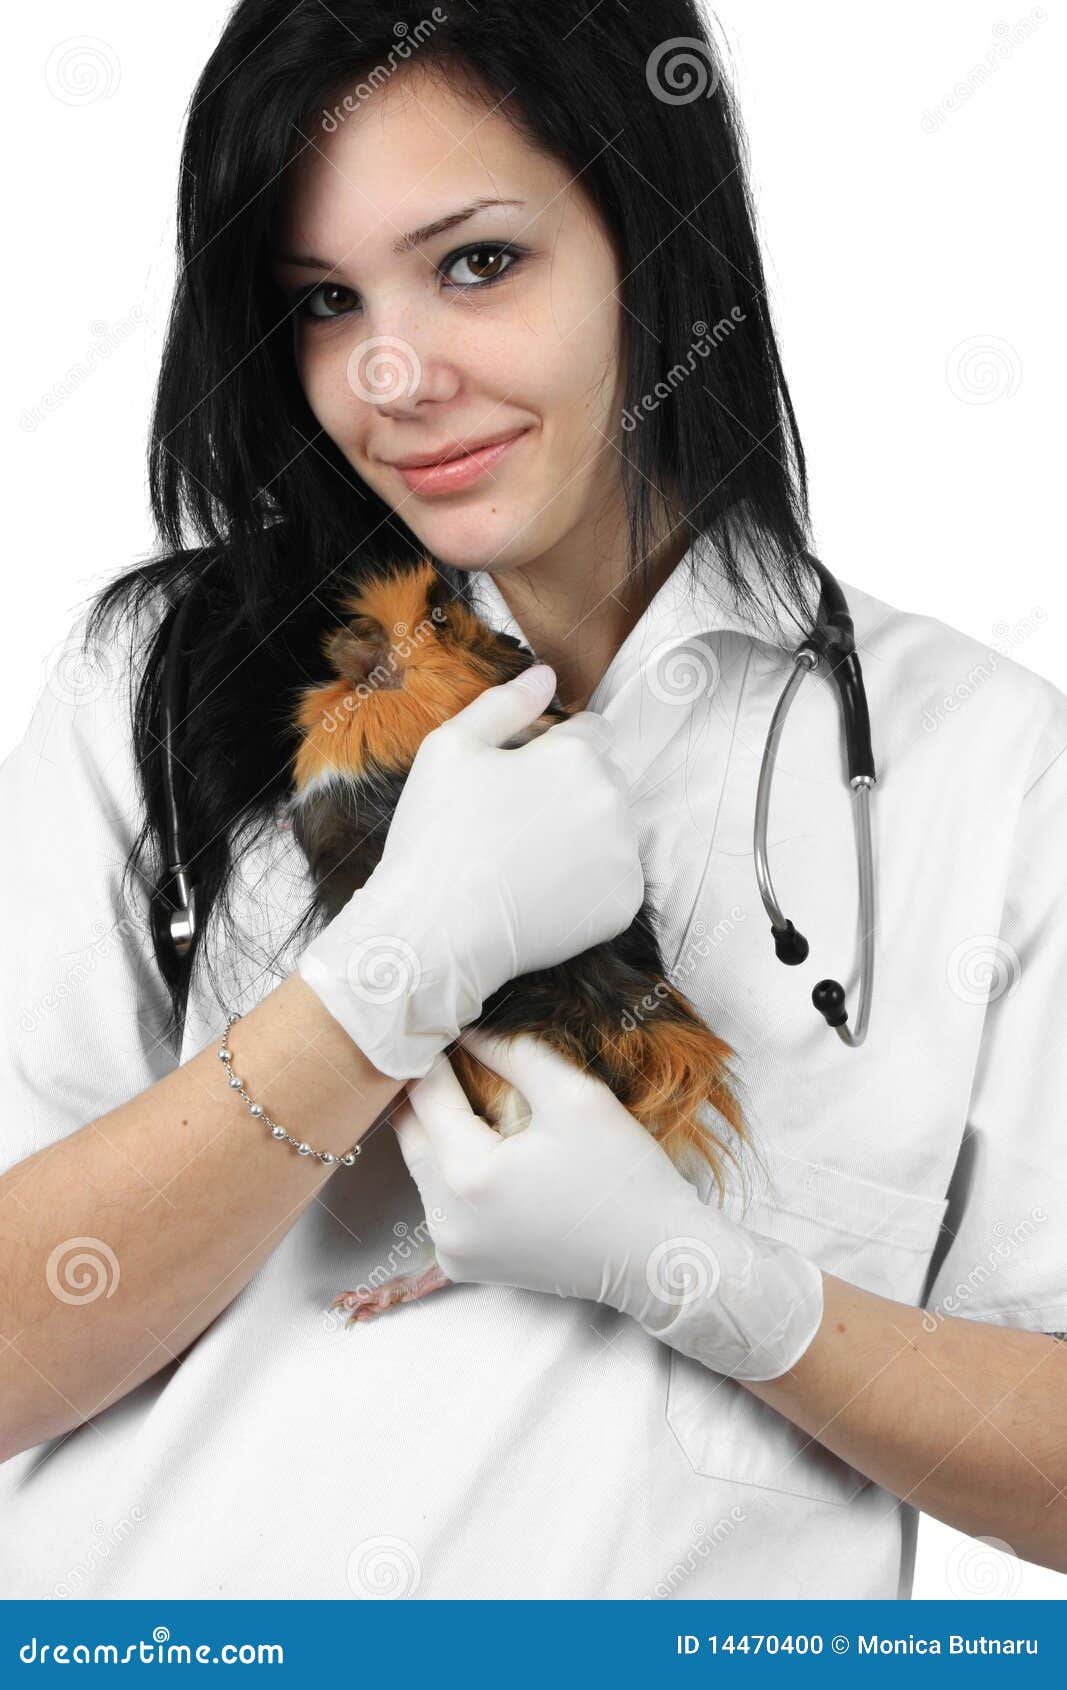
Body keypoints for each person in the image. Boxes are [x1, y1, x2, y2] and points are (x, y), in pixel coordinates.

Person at [1, 0, 1064, 1602]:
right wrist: (382, 978)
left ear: (658, 234)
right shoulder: (162, 685)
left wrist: (713, 1282)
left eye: (479, 262)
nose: (392, 375)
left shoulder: (982, 769)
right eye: (318, 302)